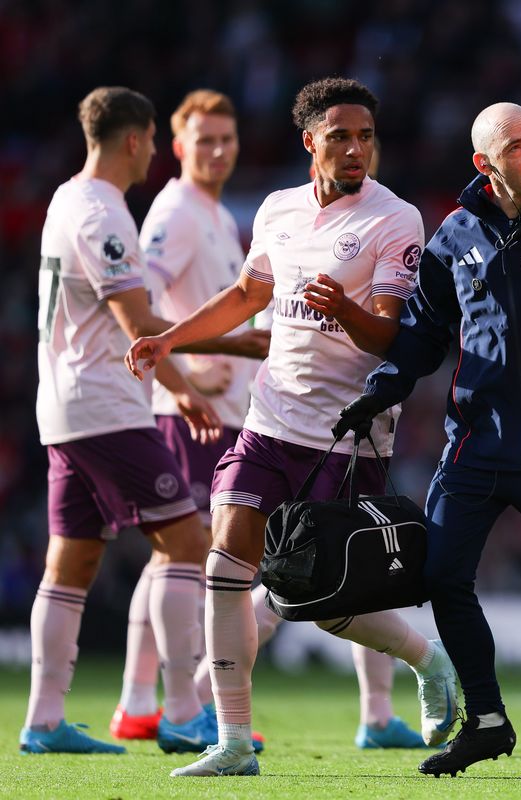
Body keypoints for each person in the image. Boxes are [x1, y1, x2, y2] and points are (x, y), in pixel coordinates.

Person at [124, 77, 458, 778]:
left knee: (319, 601)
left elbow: (393, 342)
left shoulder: (394, 219)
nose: (356, 148)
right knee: (225, 565)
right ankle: (235, 743)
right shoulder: (277, 210)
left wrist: (345, 309)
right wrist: (169, 341)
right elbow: (248, 296)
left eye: (366, 136)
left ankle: (429, 660)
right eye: (340, 136)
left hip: (347, 432)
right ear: (311, 142)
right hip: (269, 419)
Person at [336, 102, 521, 779]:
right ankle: (487, 721)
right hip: (475, 445)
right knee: (439, 576)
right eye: (519, 147)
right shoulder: (453, 236)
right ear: (486, 164)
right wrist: (382, 389)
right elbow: (423, 334)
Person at [22, 86, 264, 755]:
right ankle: (182, 713)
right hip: (105, 405)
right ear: (135, 139)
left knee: (71, 561)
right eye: (154, 140)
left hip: (67, 405)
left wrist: (181, 384)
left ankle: (43, 722)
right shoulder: (105, 213)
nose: (155, 151)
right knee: (188, 546)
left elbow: (136, 331)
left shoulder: (67, 198)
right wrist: (237, 344)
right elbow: (140, 323)